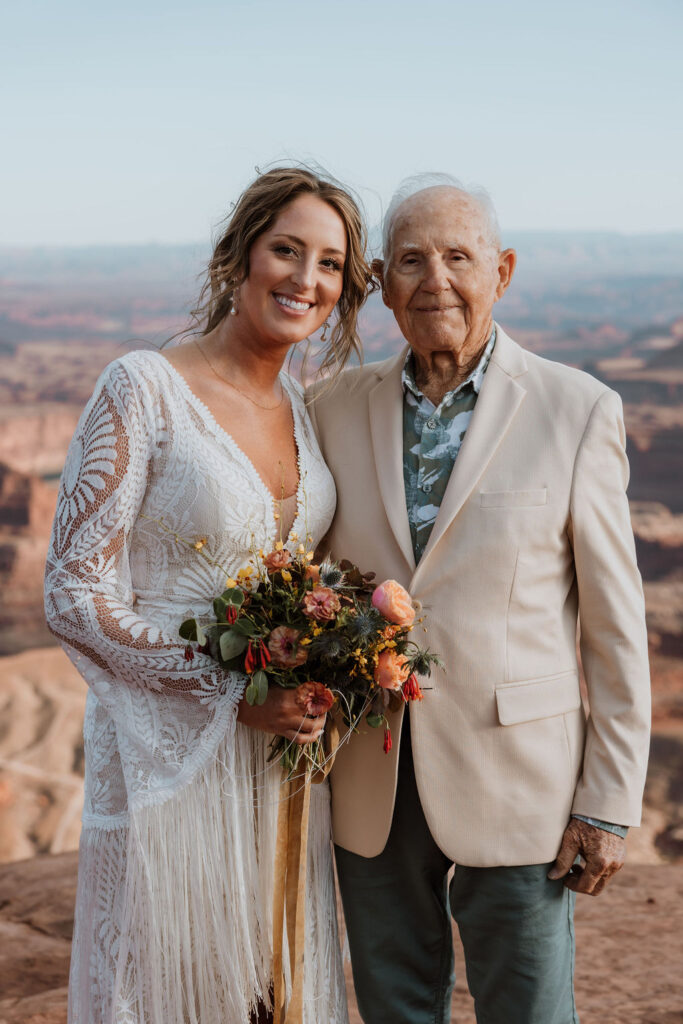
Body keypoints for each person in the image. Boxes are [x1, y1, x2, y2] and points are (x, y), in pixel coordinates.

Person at [308, 174, 651, 1024]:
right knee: (393, 1008)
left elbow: (613, 627)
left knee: (528, 1011)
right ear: (382, 281)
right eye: (413, 261)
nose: (436, 281)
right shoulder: (327, 408)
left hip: (520, 784)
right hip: (371, 774)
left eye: (458, 257)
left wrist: (606, 801)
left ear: (501, 271)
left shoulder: (577, 411)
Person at [44, 166, 373, 1024]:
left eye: (330, 264)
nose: (306, 279)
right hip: (166, 750)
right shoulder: (142, 387)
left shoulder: (302, 408)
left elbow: (306, 577)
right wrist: (229, 696)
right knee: (169, 987)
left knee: (274, 991)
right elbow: (72, 594)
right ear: (238, 258)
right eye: (286, 250)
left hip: (278, 762)